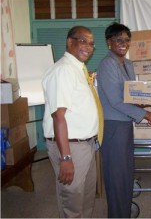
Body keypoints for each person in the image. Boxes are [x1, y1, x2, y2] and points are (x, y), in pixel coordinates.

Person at [96, 22, 151, 218]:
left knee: (126, 175)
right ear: (109, 42)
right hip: (113, 127)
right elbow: (116, 101)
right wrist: (148, 115)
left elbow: (131, 96)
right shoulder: (106, 64)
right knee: (116, 177)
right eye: (118, 39)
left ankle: (123, 213)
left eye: (126, 40)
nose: (123, 43)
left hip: (125, 126)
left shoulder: (127, 64)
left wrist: (148, 102)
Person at [42, 26, 101, 218]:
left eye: (91, 43)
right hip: (71, 148)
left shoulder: (79, 69)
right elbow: (58, 116)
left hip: (86, 145)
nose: (89, 47)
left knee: (86, 200)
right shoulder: (63, 70)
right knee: (72, 203)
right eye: (83, 41)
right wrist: (65, 158)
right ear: (70, 42)